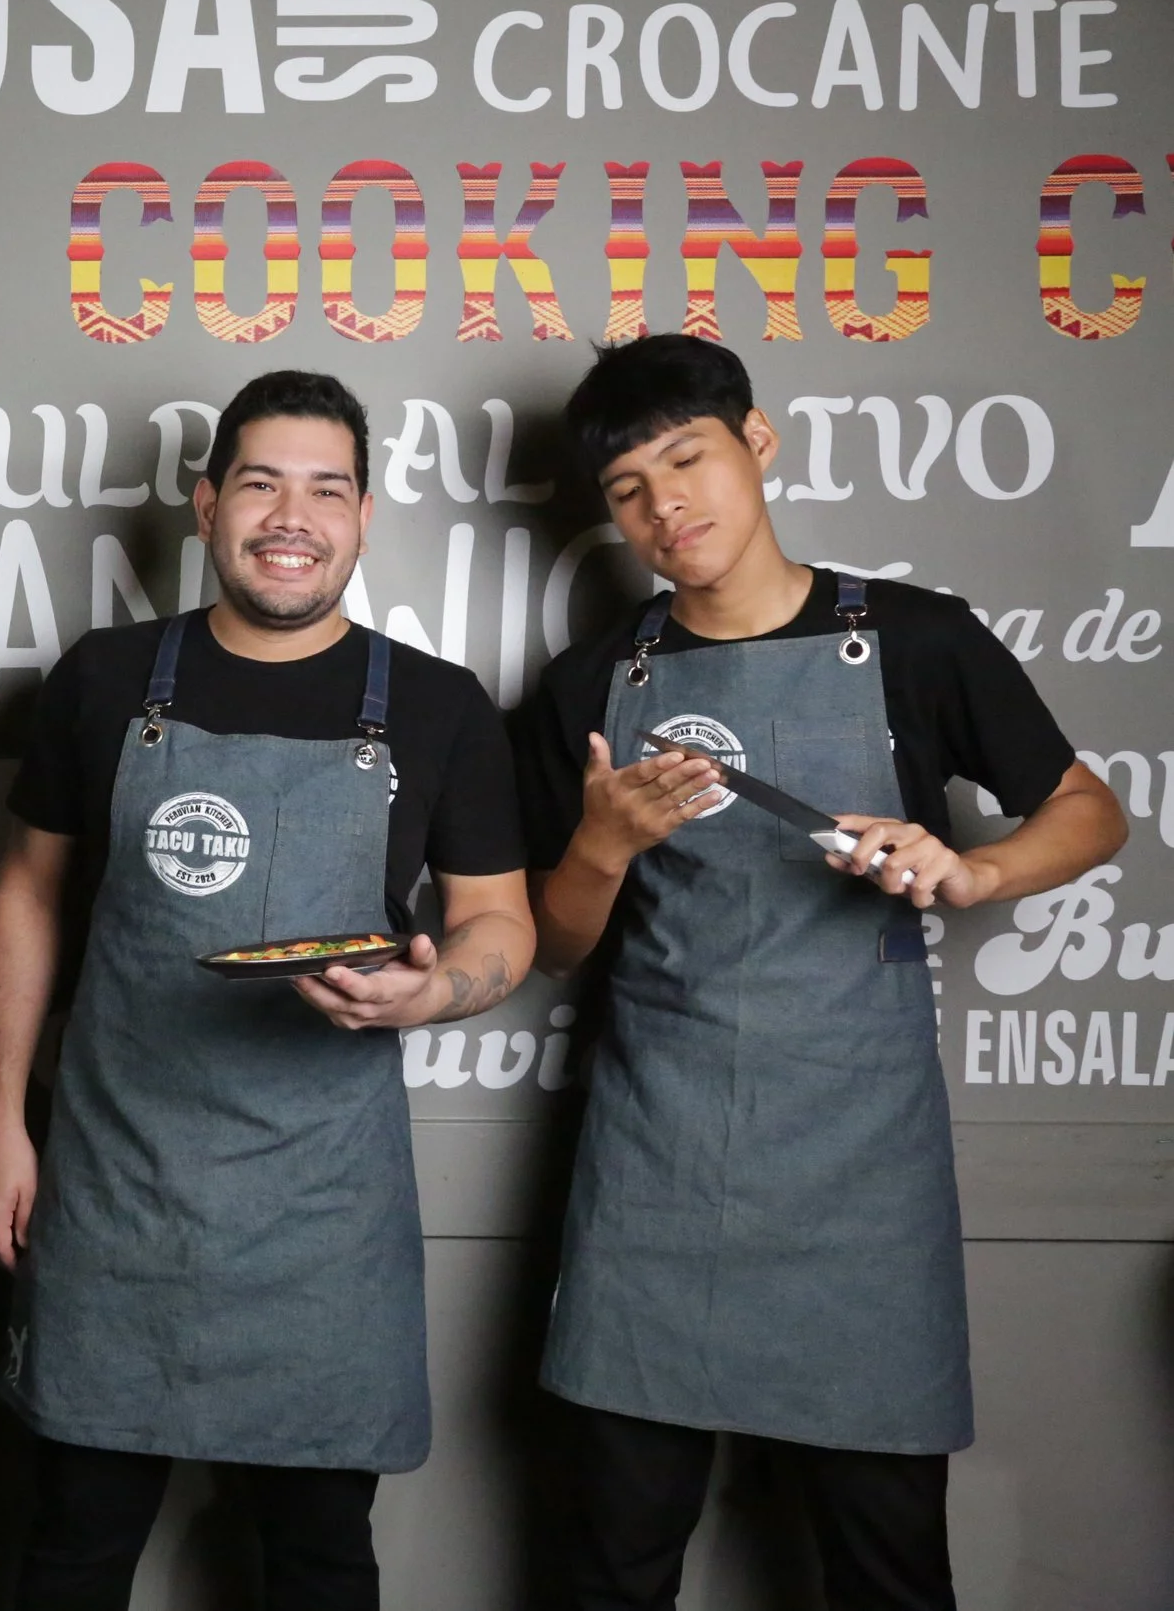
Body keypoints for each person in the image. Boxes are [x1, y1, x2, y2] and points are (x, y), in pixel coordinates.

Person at [516, 334, 1127, 1611]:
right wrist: (603, 841)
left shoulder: (913, 638)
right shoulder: (590, 682)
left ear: (757, 442)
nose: (664, 505)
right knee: (610, 1560)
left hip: (860, 1175)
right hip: (655, 1166)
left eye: (687, 459)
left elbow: (1086, 810)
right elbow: (553, 939)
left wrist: (973, 873)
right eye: (628, 489)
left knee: (886, 1561)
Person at [0, 369, 537, 1611]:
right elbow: (26, 894)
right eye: (262, 482)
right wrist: (1, 1120)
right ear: (206, 500)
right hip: (116, 1186)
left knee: (320, 1558)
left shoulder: (438, 706)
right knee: (69, 1540)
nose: (293, 514)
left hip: (322, 1219)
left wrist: (430, 998)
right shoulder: (107, 678)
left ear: (364, 513)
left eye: (325, 487)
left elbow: (500, 921)